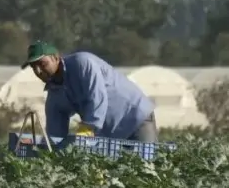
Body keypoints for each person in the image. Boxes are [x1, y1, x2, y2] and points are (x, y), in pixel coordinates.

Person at [21, 40, 158, 142]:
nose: (38, 71)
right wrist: (50, 149)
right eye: (34, 67)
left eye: (42, 64)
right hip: (110, 134)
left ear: (56, 58)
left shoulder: (82, 63)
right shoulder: (55, 93)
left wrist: (87, 129)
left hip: (135, 117)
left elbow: (97, 98)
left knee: (146, 170)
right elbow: (55, 131)